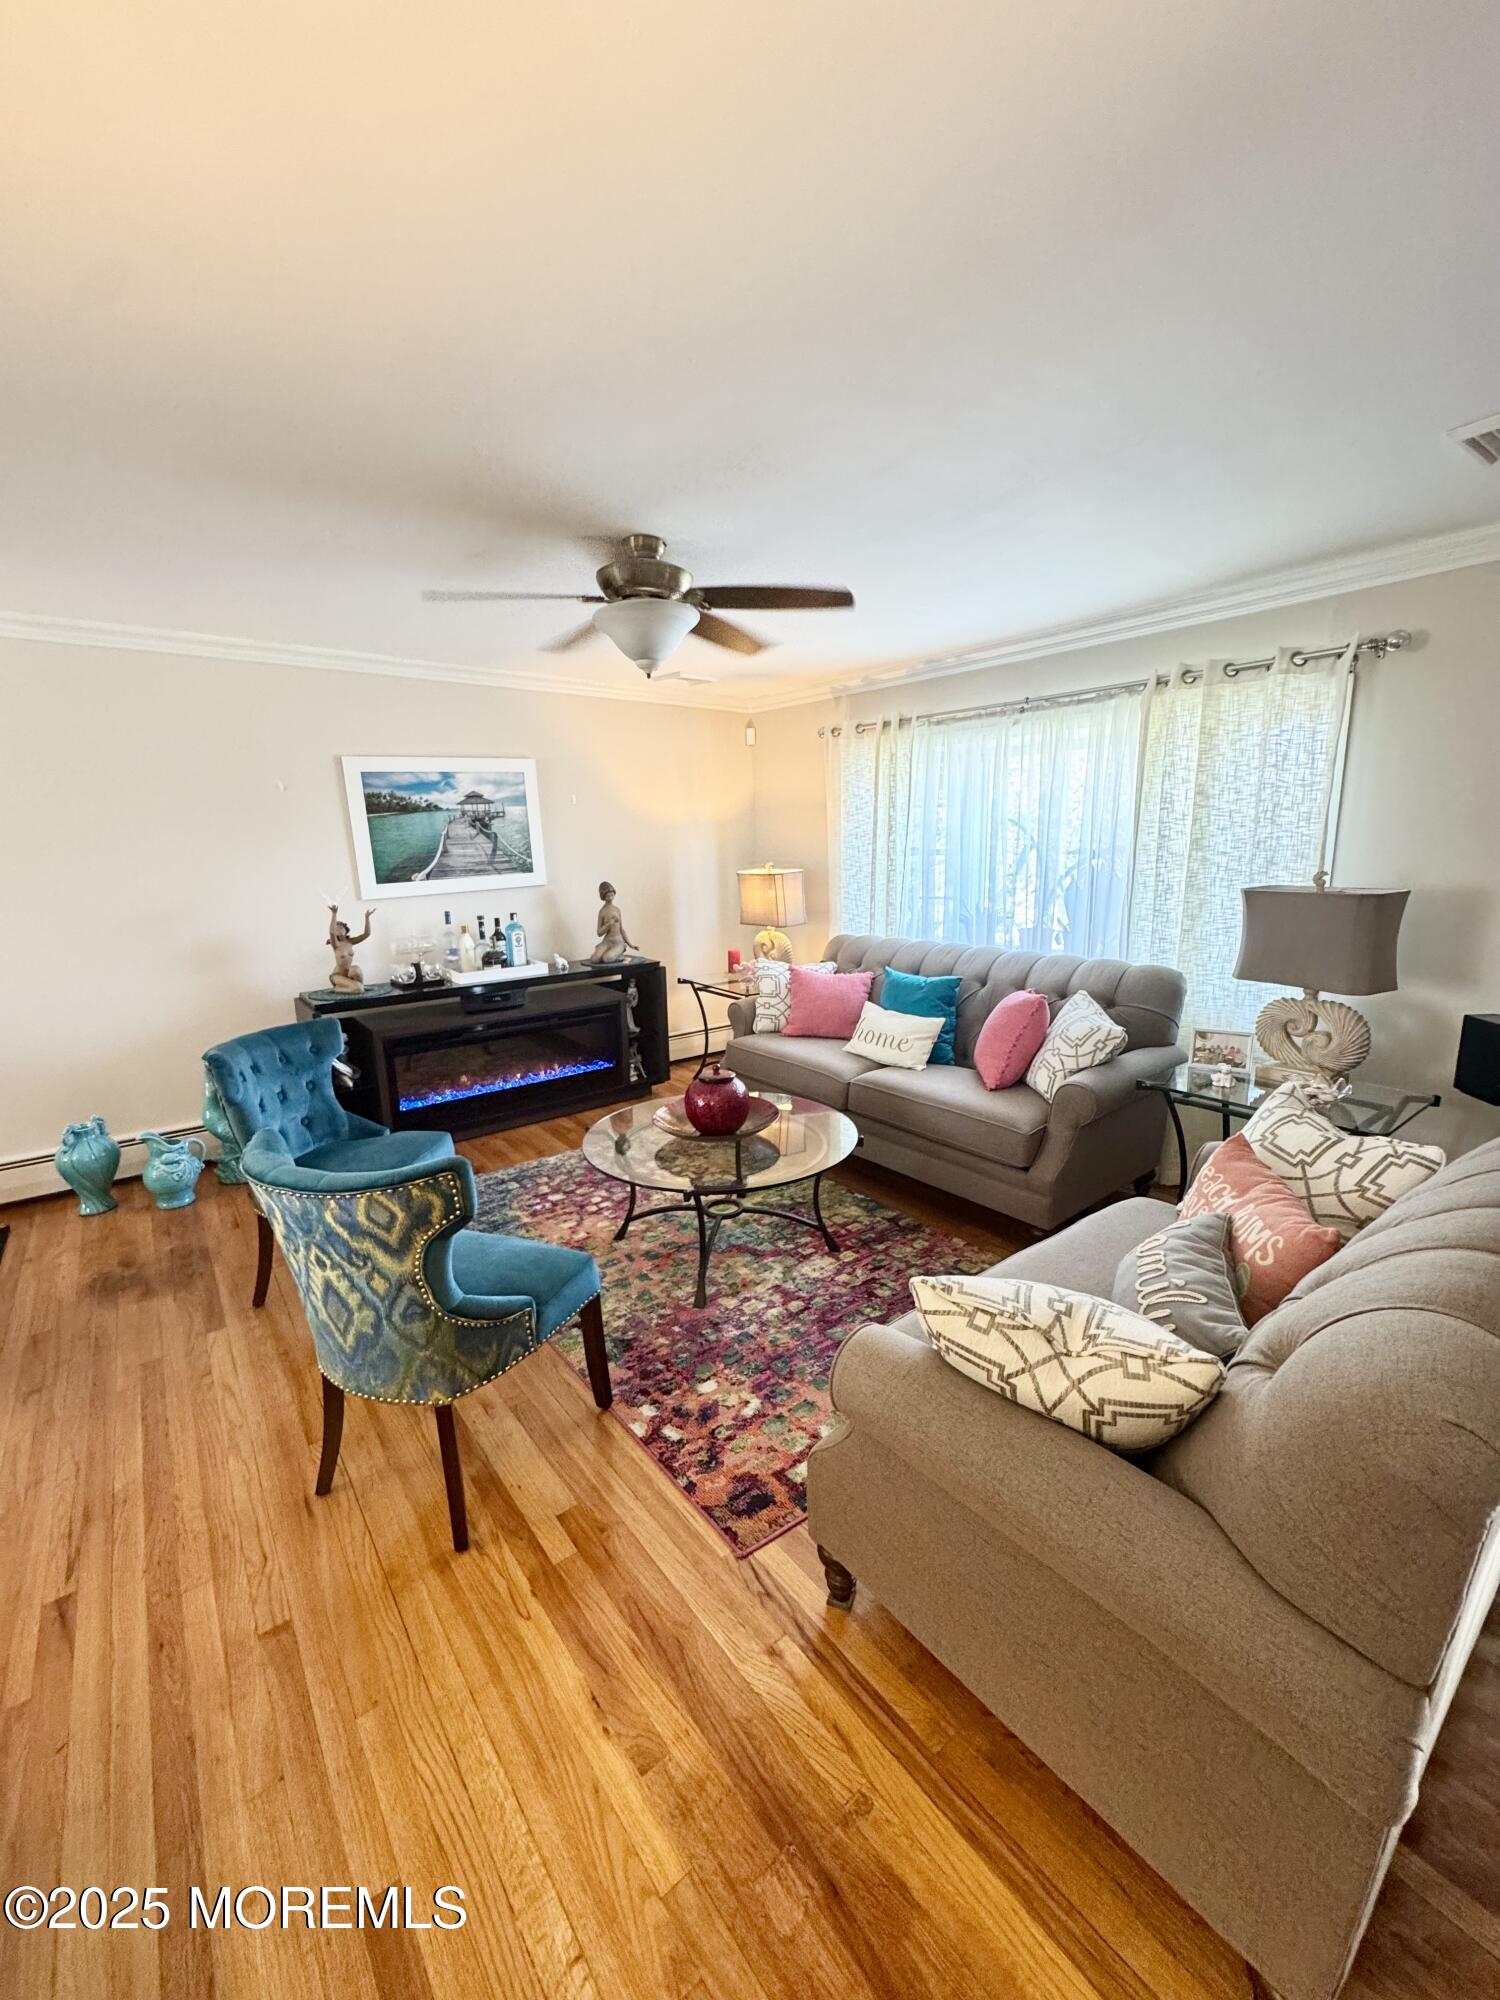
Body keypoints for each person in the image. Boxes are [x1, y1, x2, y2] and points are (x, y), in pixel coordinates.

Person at [328, 903, 374, 990]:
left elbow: (367, 934)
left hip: (349, 973)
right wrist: (334, 914)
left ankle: (360, 988)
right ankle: (337, 989)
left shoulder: (350, 942)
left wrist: (367, 918)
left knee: (356, 969)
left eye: (341, 928)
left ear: (346, 931)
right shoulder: (336, 944)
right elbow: (331, 932)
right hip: (338, 975)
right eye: (337, 928)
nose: (339, 929)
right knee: (358, 989)